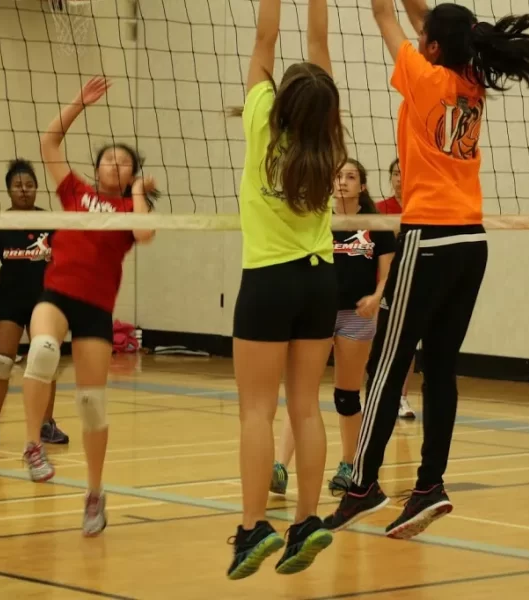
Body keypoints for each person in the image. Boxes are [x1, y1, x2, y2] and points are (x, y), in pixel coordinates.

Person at [324, 0, 529, 539]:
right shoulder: (472, 77)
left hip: (429, 237)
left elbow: (383, 12)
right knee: (441, 367)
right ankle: (429, 485)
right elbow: (427, 19)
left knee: (387, 365)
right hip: (473, 242)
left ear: (432, 46)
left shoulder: (425, 76)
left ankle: (363, 486)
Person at [226, 0, 344, 580]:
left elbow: (264, 36)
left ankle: (252, 529)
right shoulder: (329, 143)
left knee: (256, 409)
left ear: (282, 99)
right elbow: (316, 47)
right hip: (321, 279)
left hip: (269, 280)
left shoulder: (260, 122)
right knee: (305, 407)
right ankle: (307, 519)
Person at [19, 76, 156, 538]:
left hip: (96, 309)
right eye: (107, 157)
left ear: (130, 173)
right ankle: (33, 445)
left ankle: (95, 493)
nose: (112, 162)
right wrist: (80, 101)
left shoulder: (128, 211)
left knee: (92, 404)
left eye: (123, 162)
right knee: (40, 351)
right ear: (96, 167)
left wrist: (137, 190)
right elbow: (49, 141)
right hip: (56, 295)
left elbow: (143, 234)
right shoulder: (75, 191)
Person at [271, 159, 396, 497]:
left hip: (357, 315)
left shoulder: (377, 225)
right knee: (302, 392)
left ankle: (349, 464)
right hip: (318, 313)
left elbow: (387, 274)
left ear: (363, 187)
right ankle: (280, 466)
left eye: (351, 177)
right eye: (338, 176)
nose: (343, 182)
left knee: (345, 395)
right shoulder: (317, 221)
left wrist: (376, 296)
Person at [0, 159, 69, 449]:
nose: (24, 190)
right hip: (10, 298)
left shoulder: (50, 222)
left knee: (46, 358)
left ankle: (46, 424)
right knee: (1, 362)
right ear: (9, 191)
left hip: (45, 300)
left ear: (37, 189)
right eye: (18, 186)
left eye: (29, 185)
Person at [374, 157, 416, 419]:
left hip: (414, 282)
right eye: (396, 174)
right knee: (377, 341)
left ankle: (402, 397)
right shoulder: (380, 209)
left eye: (405, 173)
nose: (400, 178)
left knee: (407, 343)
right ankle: (374, 393)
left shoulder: (423, 208)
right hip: (384, 283)